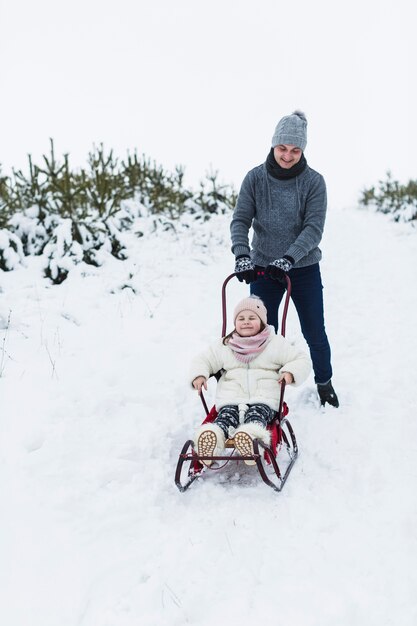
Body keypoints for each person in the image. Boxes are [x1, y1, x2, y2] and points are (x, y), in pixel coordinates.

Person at [230, 110, 339, 408]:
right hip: (263, 268)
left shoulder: (314, 182)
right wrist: (242, 253)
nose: (288, 156)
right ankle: (265, 393)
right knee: (263, 333)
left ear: (302, 150)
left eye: (295, 150)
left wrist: (289, 258)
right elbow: (240, 220)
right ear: (273, 145)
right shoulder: (255, 178)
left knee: (314, 329)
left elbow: (313, 229)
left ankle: (324, 383)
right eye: (282, 148)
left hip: (302, 268)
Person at [190, 296, 311, 466]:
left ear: (261, 321)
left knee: (256, 416)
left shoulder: (275, 343)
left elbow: (301, 360)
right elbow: (204, 360)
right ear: (235, 322)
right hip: (230, 399)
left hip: (265, 399)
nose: (246, 322)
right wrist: (199, 375)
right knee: (224, 419)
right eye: (241, 318)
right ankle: (211, 440)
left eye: (252, 318)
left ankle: (251, 440)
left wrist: (290, 372)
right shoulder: (226, 344)